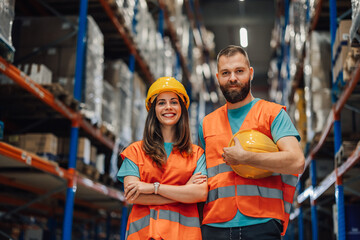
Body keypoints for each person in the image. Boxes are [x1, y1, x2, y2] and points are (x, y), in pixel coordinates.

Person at [199, 45, 305, 240]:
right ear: (217, 78)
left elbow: (296, 161)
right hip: (214, 226)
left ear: (250, 73)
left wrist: (247, 157)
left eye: (239, 71)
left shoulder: (272, 114)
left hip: (262, 224)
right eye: (225, 73)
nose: (232, 78)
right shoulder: (206, 124)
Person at [117, 77, 208, 240]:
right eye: (161, 103)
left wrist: (153, 188)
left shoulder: (197, 154)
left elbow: (200, 193)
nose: (168, 107)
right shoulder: (135, 151)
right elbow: (133, 195)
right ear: (153, 110)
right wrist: (183, 192)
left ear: (182, 108)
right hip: (143, 235)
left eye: (174, 102)